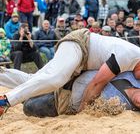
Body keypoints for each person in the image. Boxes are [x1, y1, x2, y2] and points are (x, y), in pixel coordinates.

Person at [1, 28, 140, 116]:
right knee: (55, 79)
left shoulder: (133, 61)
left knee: (34, 80)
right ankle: (5, 101)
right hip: (79, 45)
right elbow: (96, 84)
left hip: (80, 59)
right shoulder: (128, 56)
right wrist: (83, 112)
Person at [23, 71, 140, 117]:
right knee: (30, 84)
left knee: (28, 107)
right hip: (70, 76)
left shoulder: (122, 106)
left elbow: (93, 109)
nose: (139, 102)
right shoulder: (135, 77)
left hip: (67, 100)